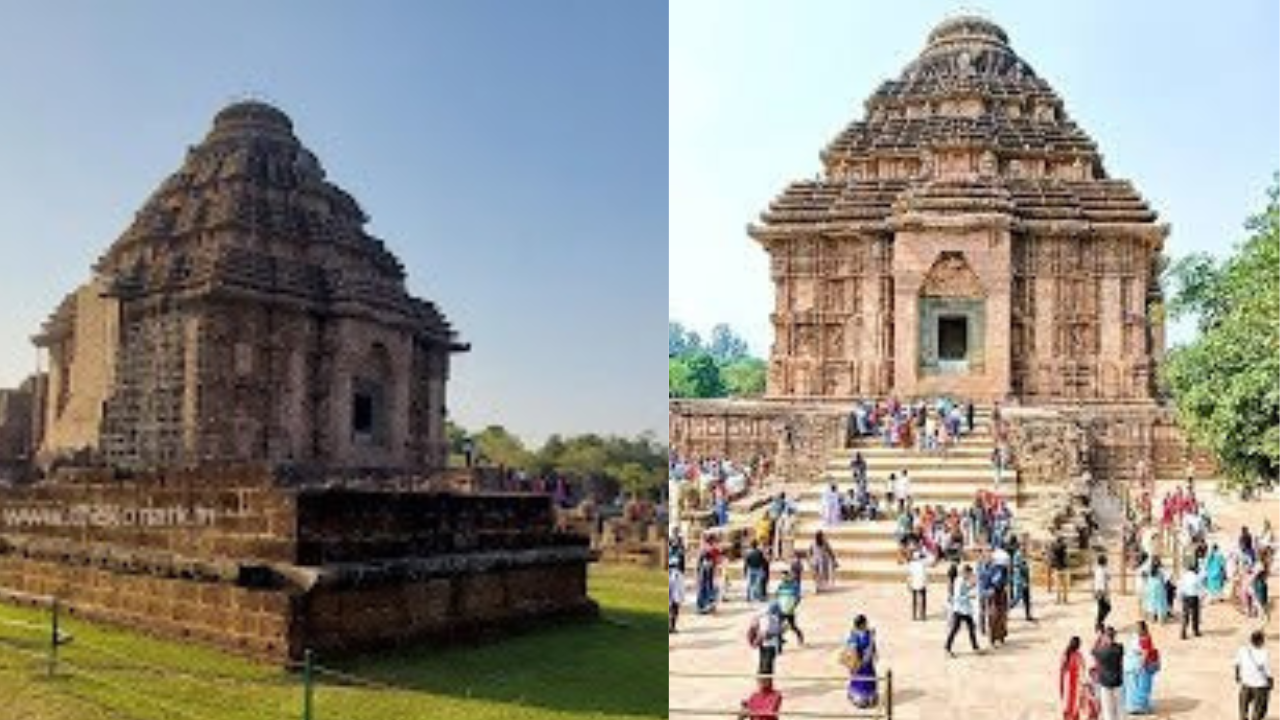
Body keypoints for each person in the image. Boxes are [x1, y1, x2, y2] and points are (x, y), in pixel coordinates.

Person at [1123, 621, 1160, 714]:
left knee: (1140, 687)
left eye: (1137, 628)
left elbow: (1145, 654)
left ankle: (1139, 707)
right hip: (1135, 665)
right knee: (1137, 687)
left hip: (1141, 666)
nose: (1136, 629)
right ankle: (1137, 706)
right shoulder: (1140, 637)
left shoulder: (1145, 639)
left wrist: (1141, 665)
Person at [844, 614, 879, 708]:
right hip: (859, 662)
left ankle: (870, 698)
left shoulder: (868, 633)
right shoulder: (854, 635)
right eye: (864, 623)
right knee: (860, 681)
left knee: (869, 679)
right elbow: (851, 649)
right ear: (861, 624)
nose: (866, 625)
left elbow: (872, 646)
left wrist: (874, 652)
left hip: (867, 662)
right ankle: (859, 698)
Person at [1235, 630, 1272, 720]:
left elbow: (1237, 664)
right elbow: (1267, 672)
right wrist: (1270, 683)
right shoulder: (1264, 653)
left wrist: (1237, 676)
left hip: (1246, 683)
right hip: (1259, 685)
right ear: (1260, 642)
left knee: (1243, 707)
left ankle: (1243, 716)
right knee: (1258, 708)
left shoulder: (1242, 650)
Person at [945, 565, 980, 657]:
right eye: (969, 573)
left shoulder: (963, 581)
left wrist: (971, 586)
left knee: (971, 628)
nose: (970, 575)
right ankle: (947, 648)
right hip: (959, 609)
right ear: (965, 572)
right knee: (954, 629)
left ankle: (975, 647)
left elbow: (965, 589)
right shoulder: (959, 582)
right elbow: (957, 597)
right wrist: (969, 596)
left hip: (966, 609)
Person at [1092, 626, 1124, 720]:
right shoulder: (1119, 648)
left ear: (1105, 637)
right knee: (1120, 708)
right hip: (1117, 681)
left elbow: (1093, 650)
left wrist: (1099, 638)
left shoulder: (1101, 651)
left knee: (1108, 711)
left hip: (1105, 683)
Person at [751, 602, 784, 678]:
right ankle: (764, 685)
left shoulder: (767, 618)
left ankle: (764, 684)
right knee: (766, 667)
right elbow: (765, 633)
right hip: (768, 646)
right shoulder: (771, 619)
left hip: (767, 645)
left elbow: (764, 633)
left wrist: (756, 642)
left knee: (765, 666)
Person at [775, 569, 805, 646]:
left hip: (789, 610)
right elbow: (777, 596)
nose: (783, 578)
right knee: (778, 626)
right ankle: (779, 640)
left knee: (792, 626)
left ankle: (800, 636)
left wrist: (793, 606)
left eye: (784, 577)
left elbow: (797, 598)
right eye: (782, 577)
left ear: (788, 576)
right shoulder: (781, 585)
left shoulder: (794, 585)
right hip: (781, 610)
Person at [1060, 636, 1087, 720]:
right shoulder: (1079, 656)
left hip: (1066, 683)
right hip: (1075, 684)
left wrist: (1061, 686)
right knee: (1075, 707)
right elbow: (1083, 671)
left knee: (1067, 707)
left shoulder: (1065, 654)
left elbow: (1062, 670)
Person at [1177, 560, 1202, 639]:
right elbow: (1200, 588)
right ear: (1195, 569)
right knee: (1195, 615)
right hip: (1194, 597)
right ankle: (1195, 631)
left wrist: (1179, 596)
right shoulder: (1196, 576)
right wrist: (1202, 597)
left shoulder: (1184, 576)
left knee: (1185, 615)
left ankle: (1183, 633)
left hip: (1185, 597)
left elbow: (1180, 586)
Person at [1142, 556, 1169, 623]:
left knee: (1152, 603)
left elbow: (1143, 575)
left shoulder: (1149, 569)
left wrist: (1146, 582)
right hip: (1159, 586)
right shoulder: (1161, 569)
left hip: (1150, 587)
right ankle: (1161, 620)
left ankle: (1152, 619)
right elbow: (1165, 578)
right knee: (1160, 603)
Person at [907, 550, 928, 621]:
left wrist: (909, 584)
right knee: (922, 599)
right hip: (921, 583)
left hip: (916, 583)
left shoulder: (912, 564)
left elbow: (909, 576)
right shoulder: (923, 563)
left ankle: (915, 615)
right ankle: (922, 615)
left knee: (915, 600)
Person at [1093, 554, 1111, 630]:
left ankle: (1099, 623)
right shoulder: (1101, 571)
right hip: (1101, 592)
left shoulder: (1100, 569)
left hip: (1099, 591)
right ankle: (1099, 623)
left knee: (1102, 608)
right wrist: (1104, 594)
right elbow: (1102, 583)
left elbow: (1108, 578)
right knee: (1106, 608)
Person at [1051, 536, 1070, 604]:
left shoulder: (1054, 548)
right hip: (1064, 568)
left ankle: (1058, 599)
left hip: (1057, 568)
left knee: (1057, 586)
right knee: (1065, 585)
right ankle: (1065, 599)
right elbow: (1067, 556)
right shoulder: (1064, 547)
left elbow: (1052, 554)